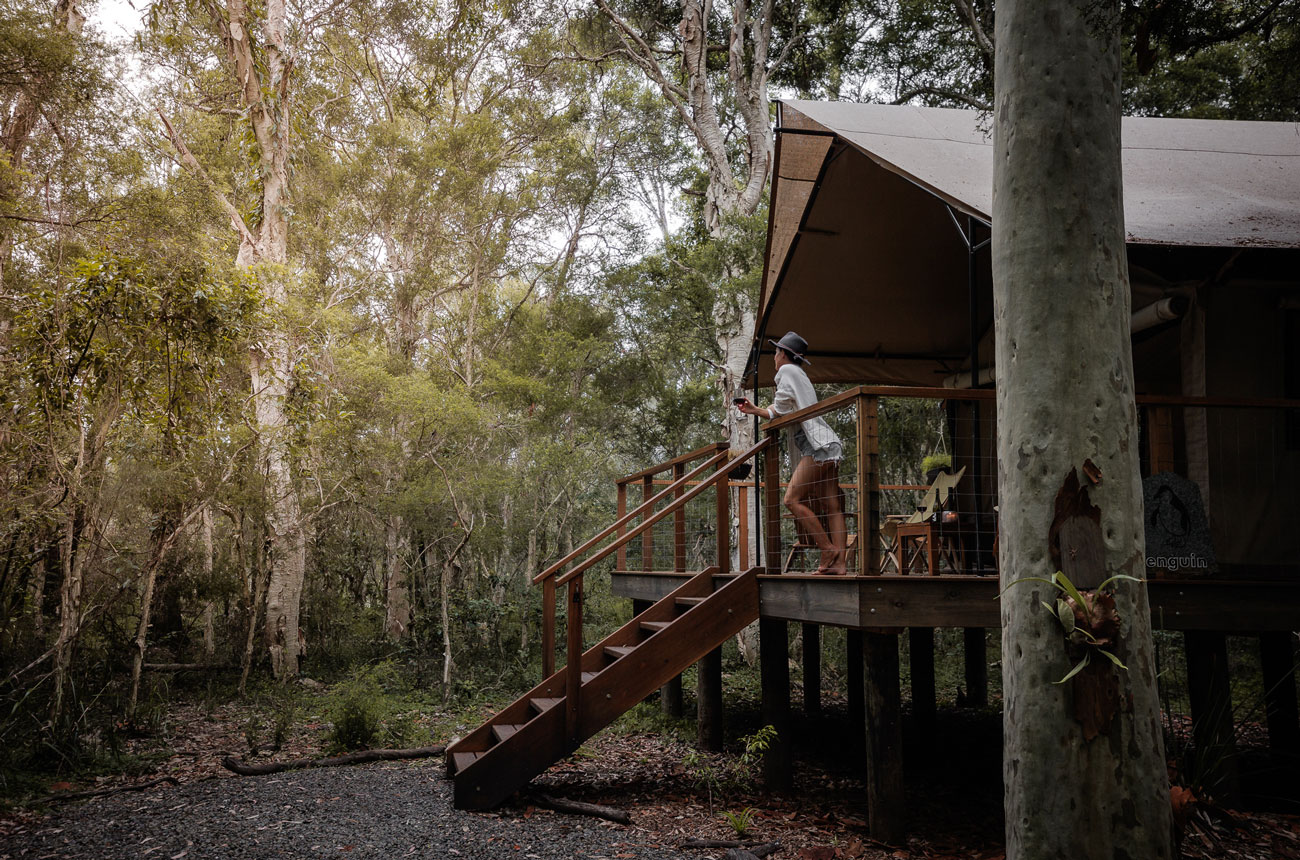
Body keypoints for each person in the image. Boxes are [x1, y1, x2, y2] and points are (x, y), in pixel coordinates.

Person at [735, 331, 847, 575]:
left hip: (817, 446)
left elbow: (782, 407)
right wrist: (756, 410)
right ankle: (840, 565)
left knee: (791, 500)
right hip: (829, 443)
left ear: (784, 354)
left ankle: (827, 548)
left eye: (776, 352)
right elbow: (782, 408)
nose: (774, 358)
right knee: (832, 506)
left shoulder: (785, 371)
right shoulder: (799, 374)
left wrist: (767, 411)